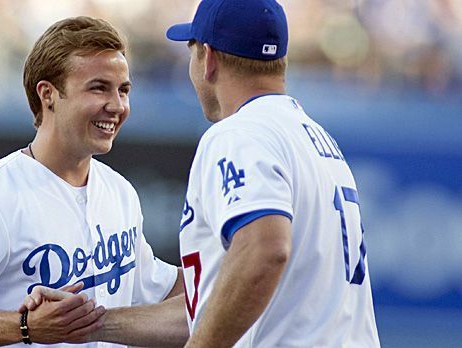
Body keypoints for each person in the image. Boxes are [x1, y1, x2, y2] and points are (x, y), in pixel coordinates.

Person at [0, 16, 183, 347]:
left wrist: (239, 266)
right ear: (48, 95)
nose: (117, 105)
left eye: (124, 90)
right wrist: (24, 326)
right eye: (98, 87)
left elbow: (153, 284)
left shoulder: (120, 191)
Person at [163, 0, 381, 346]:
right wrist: (100, 321)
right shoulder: (313, 136)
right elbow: (217, 307)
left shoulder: (238, 133)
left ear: (209, 59)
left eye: (192, 52)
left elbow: (264, 249)